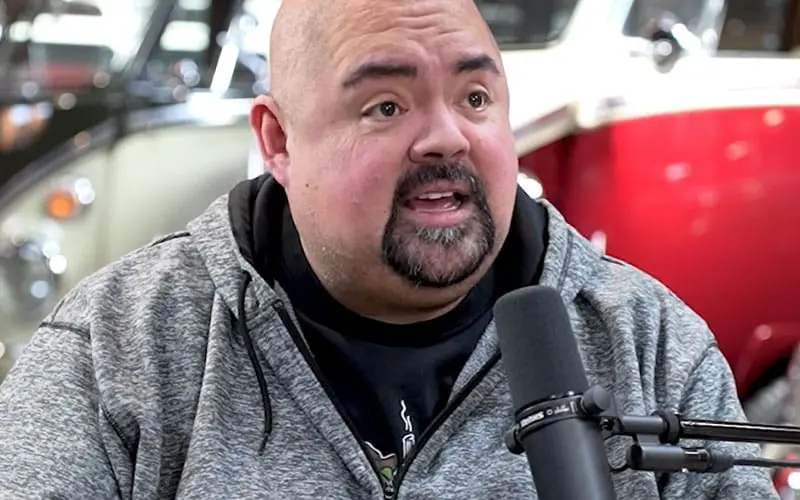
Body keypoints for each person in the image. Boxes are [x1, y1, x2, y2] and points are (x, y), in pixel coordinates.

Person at [0, 0, 780, 498]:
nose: (447, 136)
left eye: (476, 97)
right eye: (385, 106)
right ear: (279, 141)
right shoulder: (120, 347)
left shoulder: (647, 344)